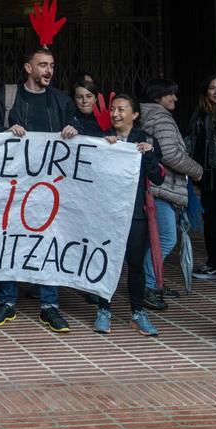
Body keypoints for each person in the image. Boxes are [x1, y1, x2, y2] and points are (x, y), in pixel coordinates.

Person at [0, 47, 79, 334]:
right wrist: (6, 132)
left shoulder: (62, 100)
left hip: (50, 188)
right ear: (28, 68)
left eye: (51, 65)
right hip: (14, 188)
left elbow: (78, 128)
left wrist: (74, 129)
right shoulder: (9, 97)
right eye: (42, 65)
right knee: (9, 240)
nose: (48, 70)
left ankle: (49, 306)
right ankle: (7, 302)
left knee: (49, 241)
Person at [93, 94, 163, 335]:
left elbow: (158, 177)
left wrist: (149, 154)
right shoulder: (102, 139)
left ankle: (137, 313)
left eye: (121, 110)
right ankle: (104, 310)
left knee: (135, 265)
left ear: (135, 115)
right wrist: (103, 149)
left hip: (135, 214)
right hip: (108, 213)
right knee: (107, 261)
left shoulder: (146, 140)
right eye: (113, 109)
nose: (115, 114)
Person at [140, 78, 203, 311]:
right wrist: (197, 171)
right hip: (162, 188)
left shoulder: (146, 115)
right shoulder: (162, 118)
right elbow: (170, 155)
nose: (175, 98)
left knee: (155, 238)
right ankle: (148, 285)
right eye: (170, 94)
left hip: (154, 186)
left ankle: (154, 280)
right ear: (158, 96)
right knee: (167, 237)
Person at [190, 75, 216, 279]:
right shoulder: (200, 114)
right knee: (212, 220)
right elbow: (193, 141)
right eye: (212, 88)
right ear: (205, 92)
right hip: (210, 176)